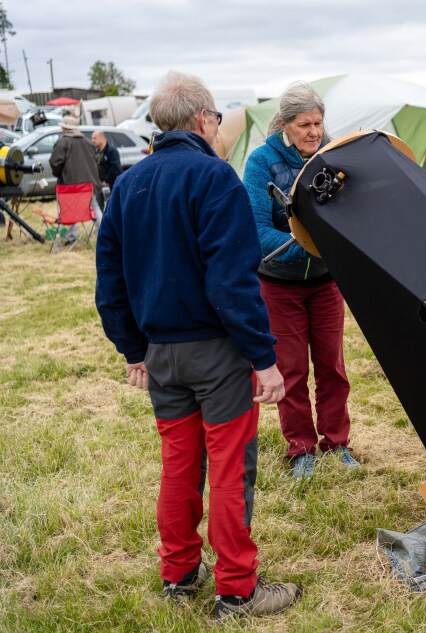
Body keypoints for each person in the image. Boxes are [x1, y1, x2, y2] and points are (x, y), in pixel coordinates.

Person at [95, 70, 301, 621]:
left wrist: (132, 347)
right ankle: (237, 589)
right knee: (229, 468)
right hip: (215, 353)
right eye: (215, 118)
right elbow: (231, 283)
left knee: (179, 465)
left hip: (161, 352)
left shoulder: (129, 186)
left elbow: (109, 278)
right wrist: (265, 359)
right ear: (204, 119)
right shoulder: (215, 179)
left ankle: (180, 571)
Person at [242, 82, 359, 478]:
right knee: (291, 371)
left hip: (326, 282)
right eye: (305, 125)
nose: (314, 132)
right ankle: (301, 449)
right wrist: (314, 247)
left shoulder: (333, 155)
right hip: (279, 283)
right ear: (284, 125)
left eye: (318, 123)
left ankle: (337, 443)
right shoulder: (261, 162)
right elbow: (258, 233)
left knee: (332, 367)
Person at [49, 115, 102, 240]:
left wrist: (59, 174)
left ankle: (71, 235)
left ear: (65, 128)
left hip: (70, 186)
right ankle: (104, 234)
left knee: (72, 210)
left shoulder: (63, 142)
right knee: (95, 208)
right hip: (90, 185)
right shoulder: (88, 142)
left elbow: (55, 163)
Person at [91, 129, 122, 206]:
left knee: (111, 205)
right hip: (99, 184)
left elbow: (115, 168)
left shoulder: (111, 151)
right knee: (99, 205)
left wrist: (107, 181)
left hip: (110, 185)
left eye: (95, 138)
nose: (92, 140)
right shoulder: (97, 151)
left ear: (102, 138)